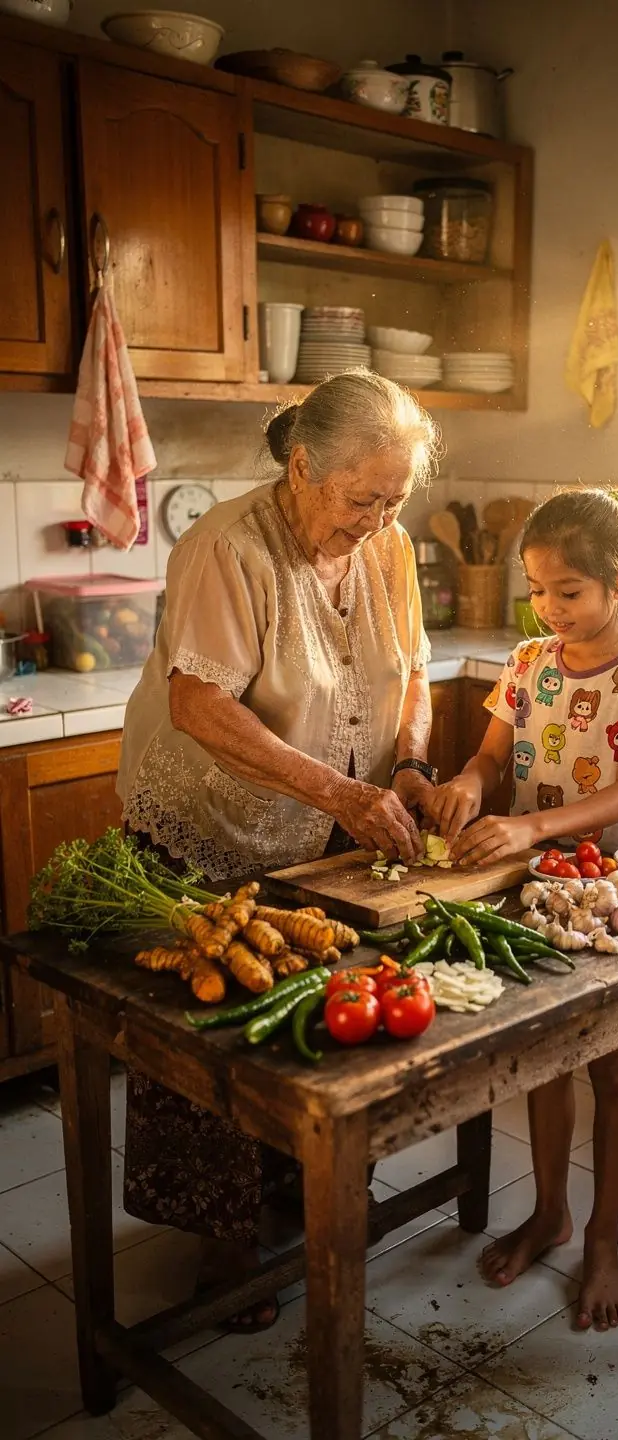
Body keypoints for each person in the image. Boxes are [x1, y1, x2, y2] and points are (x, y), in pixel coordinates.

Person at [116, 370, 441, 1330]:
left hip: (324, 826)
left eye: (394, 500)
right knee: (209, 1034)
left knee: (314, 1016)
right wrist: (341, 790)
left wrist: (411, 763)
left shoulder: (388, 549)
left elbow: (412, 667)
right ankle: (221, 1242)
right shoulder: (227, 548)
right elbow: (198, 704)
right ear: (302, 466)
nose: (378, 522)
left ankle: (306, 1188)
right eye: (361, 499)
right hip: (213, 821)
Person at [425, 486, 618, 1334]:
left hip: (611, 896)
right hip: (534, 892)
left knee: (608, 1065)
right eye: (536, 591)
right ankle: (550, 1214)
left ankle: (603, 1237)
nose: (549, 608)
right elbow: (489, 758)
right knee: (543, 1060)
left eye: (567, 591)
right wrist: (465, 785)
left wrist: (530, 823)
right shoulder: (529, 661)